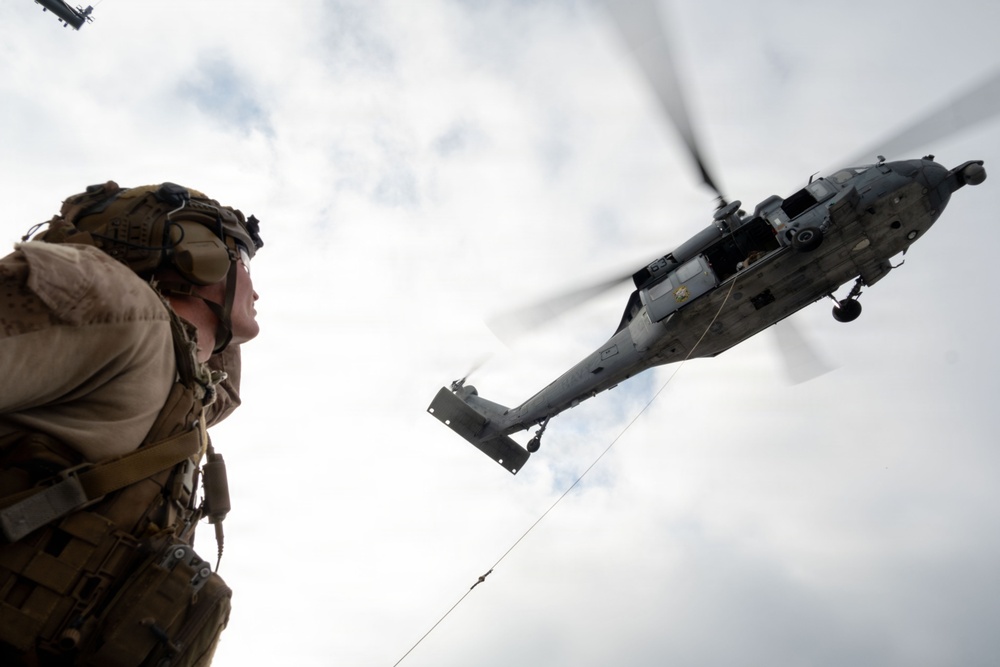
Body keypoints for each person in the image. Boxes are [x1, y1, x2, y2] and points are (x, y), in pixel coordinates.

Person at [0, 180, 262, 666]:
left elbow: (218, 393)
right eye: (244, 263)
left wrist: (219, 327)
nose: (258, 288)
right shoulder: (110, 299)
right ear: (199, 254)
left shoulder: (174, 382)